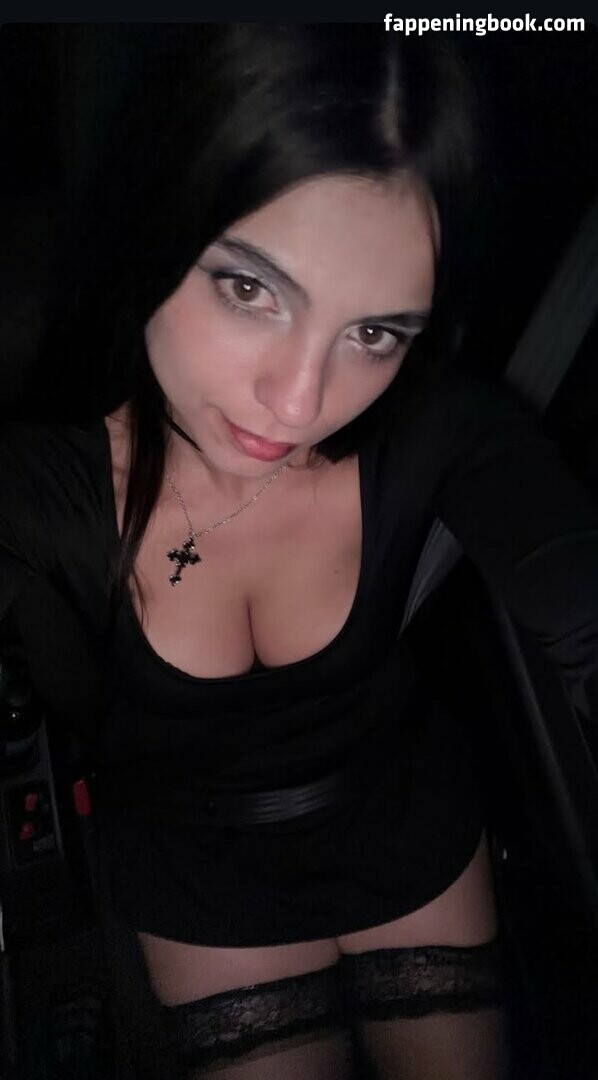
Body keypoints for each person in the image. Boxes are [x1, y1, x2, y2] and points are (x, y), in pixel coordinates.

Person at [2, 24, 598, 1080]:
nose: (299, 402)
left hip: (405, 821)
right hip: (198, 866)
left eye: (374, 333)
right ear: (155, 220)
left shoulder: (436, 430)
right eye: (251, 289)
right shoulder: (42, 494)